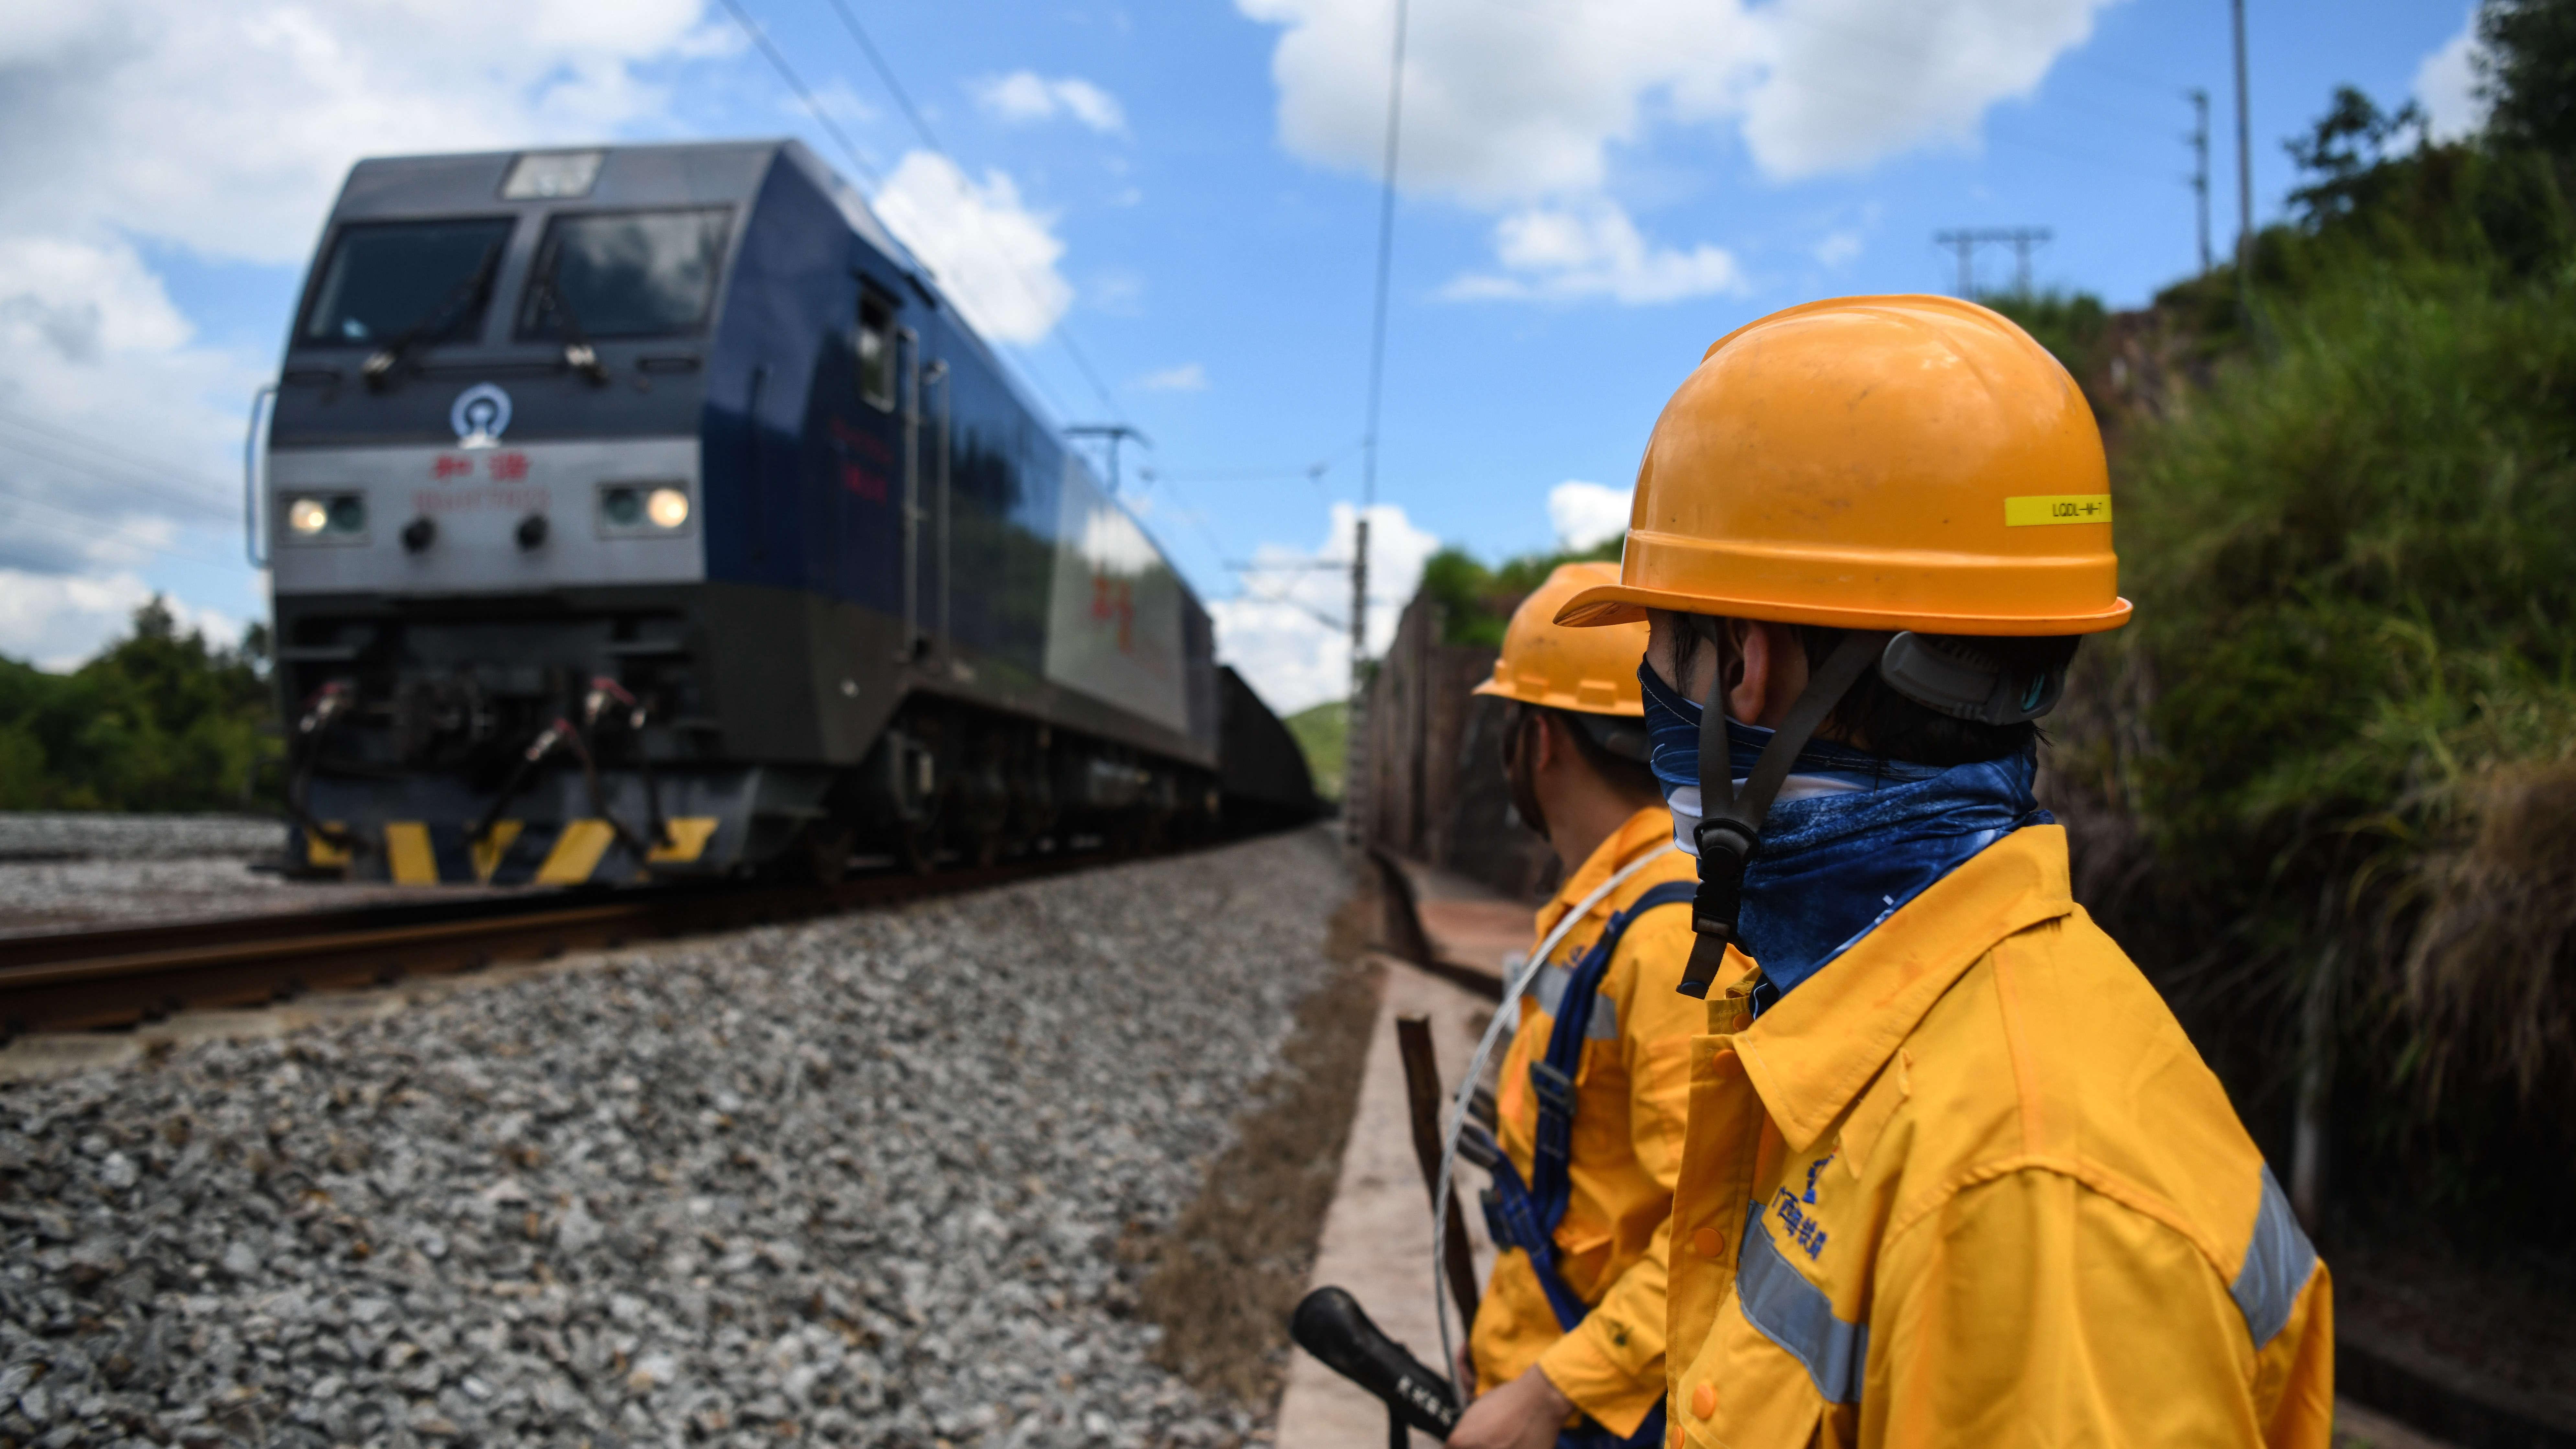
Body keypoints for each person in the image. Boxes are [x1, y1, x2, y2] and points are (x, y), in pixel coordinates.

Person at [1551, 295, 2334, 1447]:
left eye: (1665, 651)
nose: (1655, 703)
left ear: (1744, 667)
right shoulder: (1873, 1027)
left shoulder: (2023, 1197)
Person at [1448, 562, 1742, 1449]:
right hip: (1562, 1384)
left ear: (1538, 740)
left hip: (1599, 1419)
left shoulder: (1665, 943)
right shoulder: (1597, 917)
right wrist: (1506, 1348)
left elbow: (1712, 1243)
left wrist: (1543, 1394)